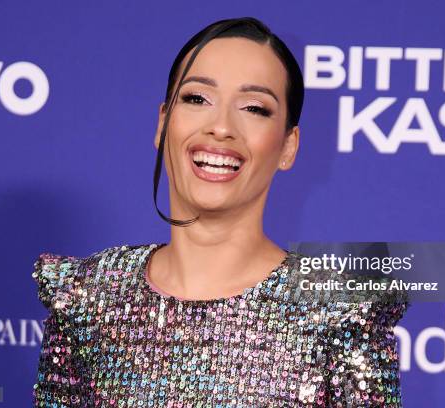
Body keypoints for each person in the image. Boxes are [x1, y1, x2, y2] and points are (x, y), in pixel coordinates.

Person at [31, 16, 409, 407]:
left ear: (288, 146)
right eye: (197, 99)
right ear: (163, 124)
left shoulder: (339, 313)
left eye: (254, 108)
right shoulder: (89, 298)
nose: (221, 127)